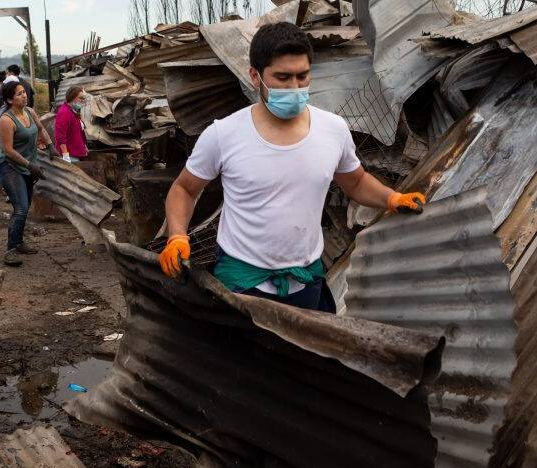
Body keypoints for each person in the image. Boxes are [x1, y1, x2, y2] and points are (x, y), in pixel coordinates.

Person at [158, 22, 426, 312]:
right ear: (254, 76)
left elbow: (356, 182)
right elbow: (184, 189)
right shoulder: (224, 135)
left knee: (305, 357)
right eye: (283, 78)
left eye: (302, 77)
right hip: (241, 283)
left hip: (306, 280)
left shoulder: (333, 130)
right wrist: (176, 236)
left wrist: (391, 198)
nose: (294, 87)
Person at [0, 80, 53, 266]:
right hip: (11, 168)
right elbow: (8, 150)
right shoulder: (6, 120)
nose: (24, 96)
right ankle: (10, 250)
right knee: (20, 209)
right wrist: (30, 166)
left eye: (24, 92)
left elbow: (41, 127)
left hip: (27, 166)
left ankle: (19, 242)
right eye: (19, 94)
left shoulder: (30, 112)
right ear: (10, 99)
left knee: (24, 206)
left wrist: (50, 145)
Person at [55, 87, 88, 163]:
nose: (82, 101)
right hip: (70, 155)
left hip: (76, 153)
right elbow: (60, 136)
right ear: (72, 97)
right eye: (80, 98)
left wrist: (83, 146)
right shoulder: (64, 112)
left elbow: (78, 132)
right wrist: (65, 155)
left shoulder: (73, 111)